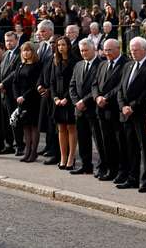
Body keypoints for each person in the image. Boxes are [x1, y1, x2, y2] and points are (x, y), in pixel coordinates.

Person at [116, 37, 146, 192]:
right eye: (131, 50)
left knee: (145, 148)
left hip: (142, 114)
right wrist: (123, 106)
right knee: (130, 147)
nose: (133, 52)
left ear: (145, 50)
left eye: (136, 50)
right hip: (126, 114)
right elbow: (120, 89)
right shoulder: (128, 65)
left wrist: (132, 106)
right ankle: (132, 178)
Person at [91, 39, 128, 182]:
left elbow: (120, 86)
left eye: (110, 50)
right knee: (106, 142)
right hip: (101, 109)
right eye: (105, 50)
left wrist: (105, 98)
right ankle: (110, 169)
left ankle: (121, 170)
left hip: (114, 109)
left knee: (119, 143)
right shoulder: (102, 64)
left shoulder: (125, 64)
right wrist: (97, 97)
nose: (107, 53)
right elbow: (94, 84)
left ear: (118, 49)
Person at [69, 38, 104, 175]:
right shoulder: (78, 65)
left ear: (93, 49)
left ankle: (102, 167)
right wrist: (76, 101)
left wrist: (84, 101)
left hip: (93, 109)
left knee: (98, 140)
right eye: (81, 50)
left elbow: (98, 87)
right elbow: (72, 85)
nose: (83, 53)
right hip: (79, 109)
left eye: (86, 50)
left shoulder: (101, 64)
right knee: (83, 140)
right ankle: (86, 165)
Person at [50, 36, 79, 170]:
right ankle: (63, 156)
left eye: (63, 45)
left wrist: (67, 98)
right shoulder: (55, 61)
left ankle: (71, 157)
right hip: (58, 101)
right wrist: (55, 97)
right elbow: (52, 82)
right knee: (61, 128)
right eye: (59, 45)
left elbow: (75, 82)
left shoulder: (74, 61)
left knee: (71, 128)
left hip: (69, 99)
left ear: (68, 46)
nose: (61, 47)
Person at [36, 20, 60, 164]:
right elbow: (42, 71)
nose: (51, 45)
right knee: (46, 123)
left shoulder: (59, 58)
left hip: (54, 94)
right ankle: (48, 146)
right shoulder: (42, 47)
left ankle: (54, 150)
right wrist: (39, 85)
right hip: (44, 92)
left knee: (53, 123)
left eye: (43, 31)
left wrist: (50, 90)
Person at [12, 42, 41, 162]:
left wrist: (24, 96)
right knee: (25, 126)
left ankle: (33, 152)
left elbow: (35, 85)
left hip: (32, 99)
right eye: (24, 51)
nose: (26, 52)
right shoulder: (20, 64)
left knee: (33, 126)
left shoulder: (37, 65)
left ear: (33, 52)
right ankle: (27, 151)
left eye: (28, 50)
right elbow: (14, 82)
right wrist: (17, 96)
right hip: (20, 99)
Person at [0, 32, 23, 156]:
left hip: (13, 92)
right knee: (5, 121)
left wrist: (3, 83)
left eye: (11, 40)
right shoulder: (6, 54)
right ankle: (9, 144)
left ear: (16, 40)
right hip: (3, 93)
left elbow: (15, 72)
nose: (8, 43)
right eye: (6, 41)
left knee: (15, 120)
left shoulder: (19, 53)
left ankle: (19, 145)